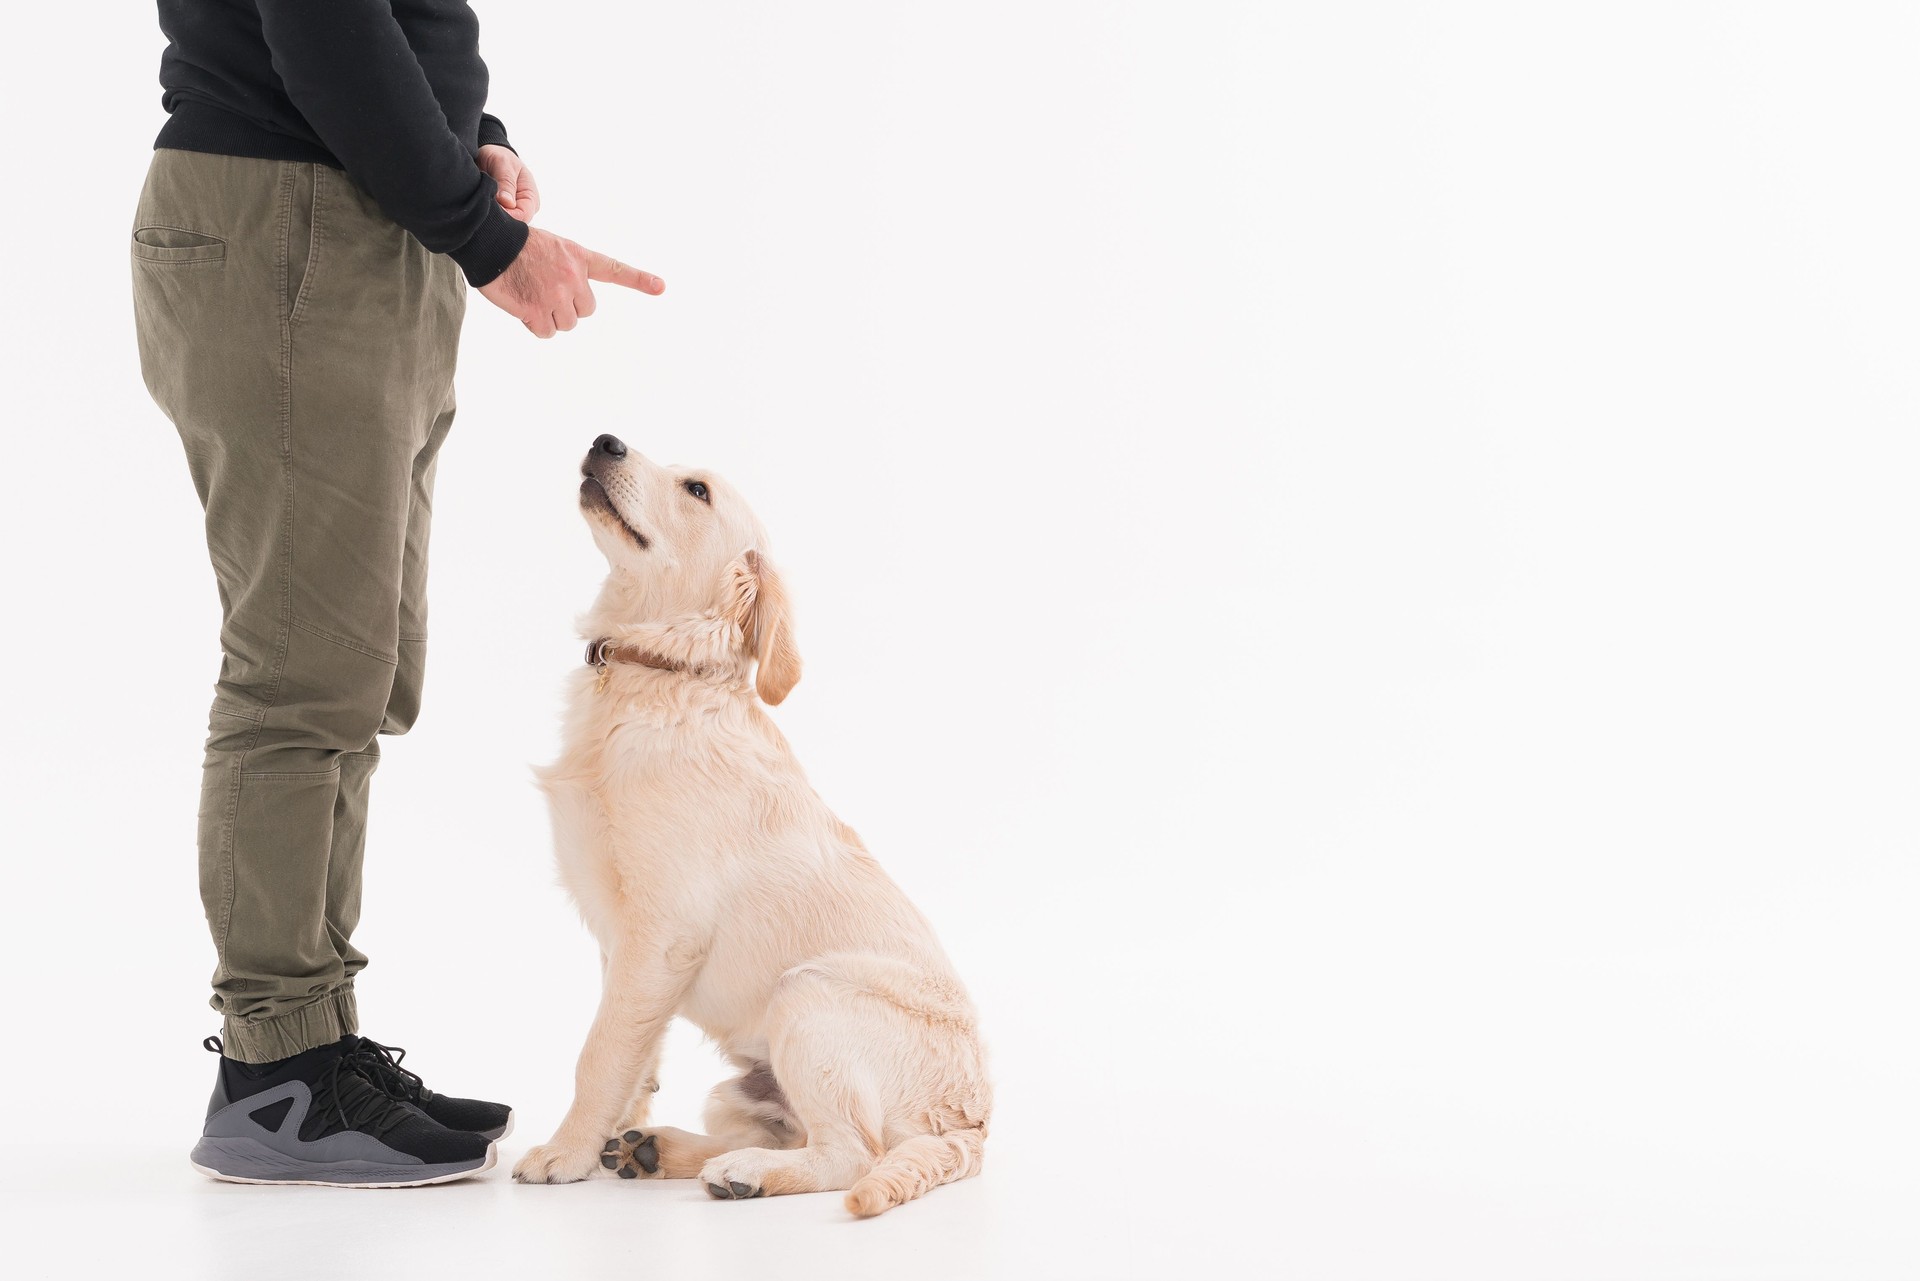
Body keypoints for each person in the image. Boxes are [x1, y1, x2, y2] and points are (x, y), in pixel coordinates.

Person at [131, 1, 662, 1187]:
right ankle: (272, 1077)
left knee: (359, 668)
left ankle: (315, 1048)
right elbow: (321, 19)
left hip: (348, 214)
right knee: (301, 674)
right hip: (292, 214)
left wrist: (470, 135)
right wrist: (484, 234)